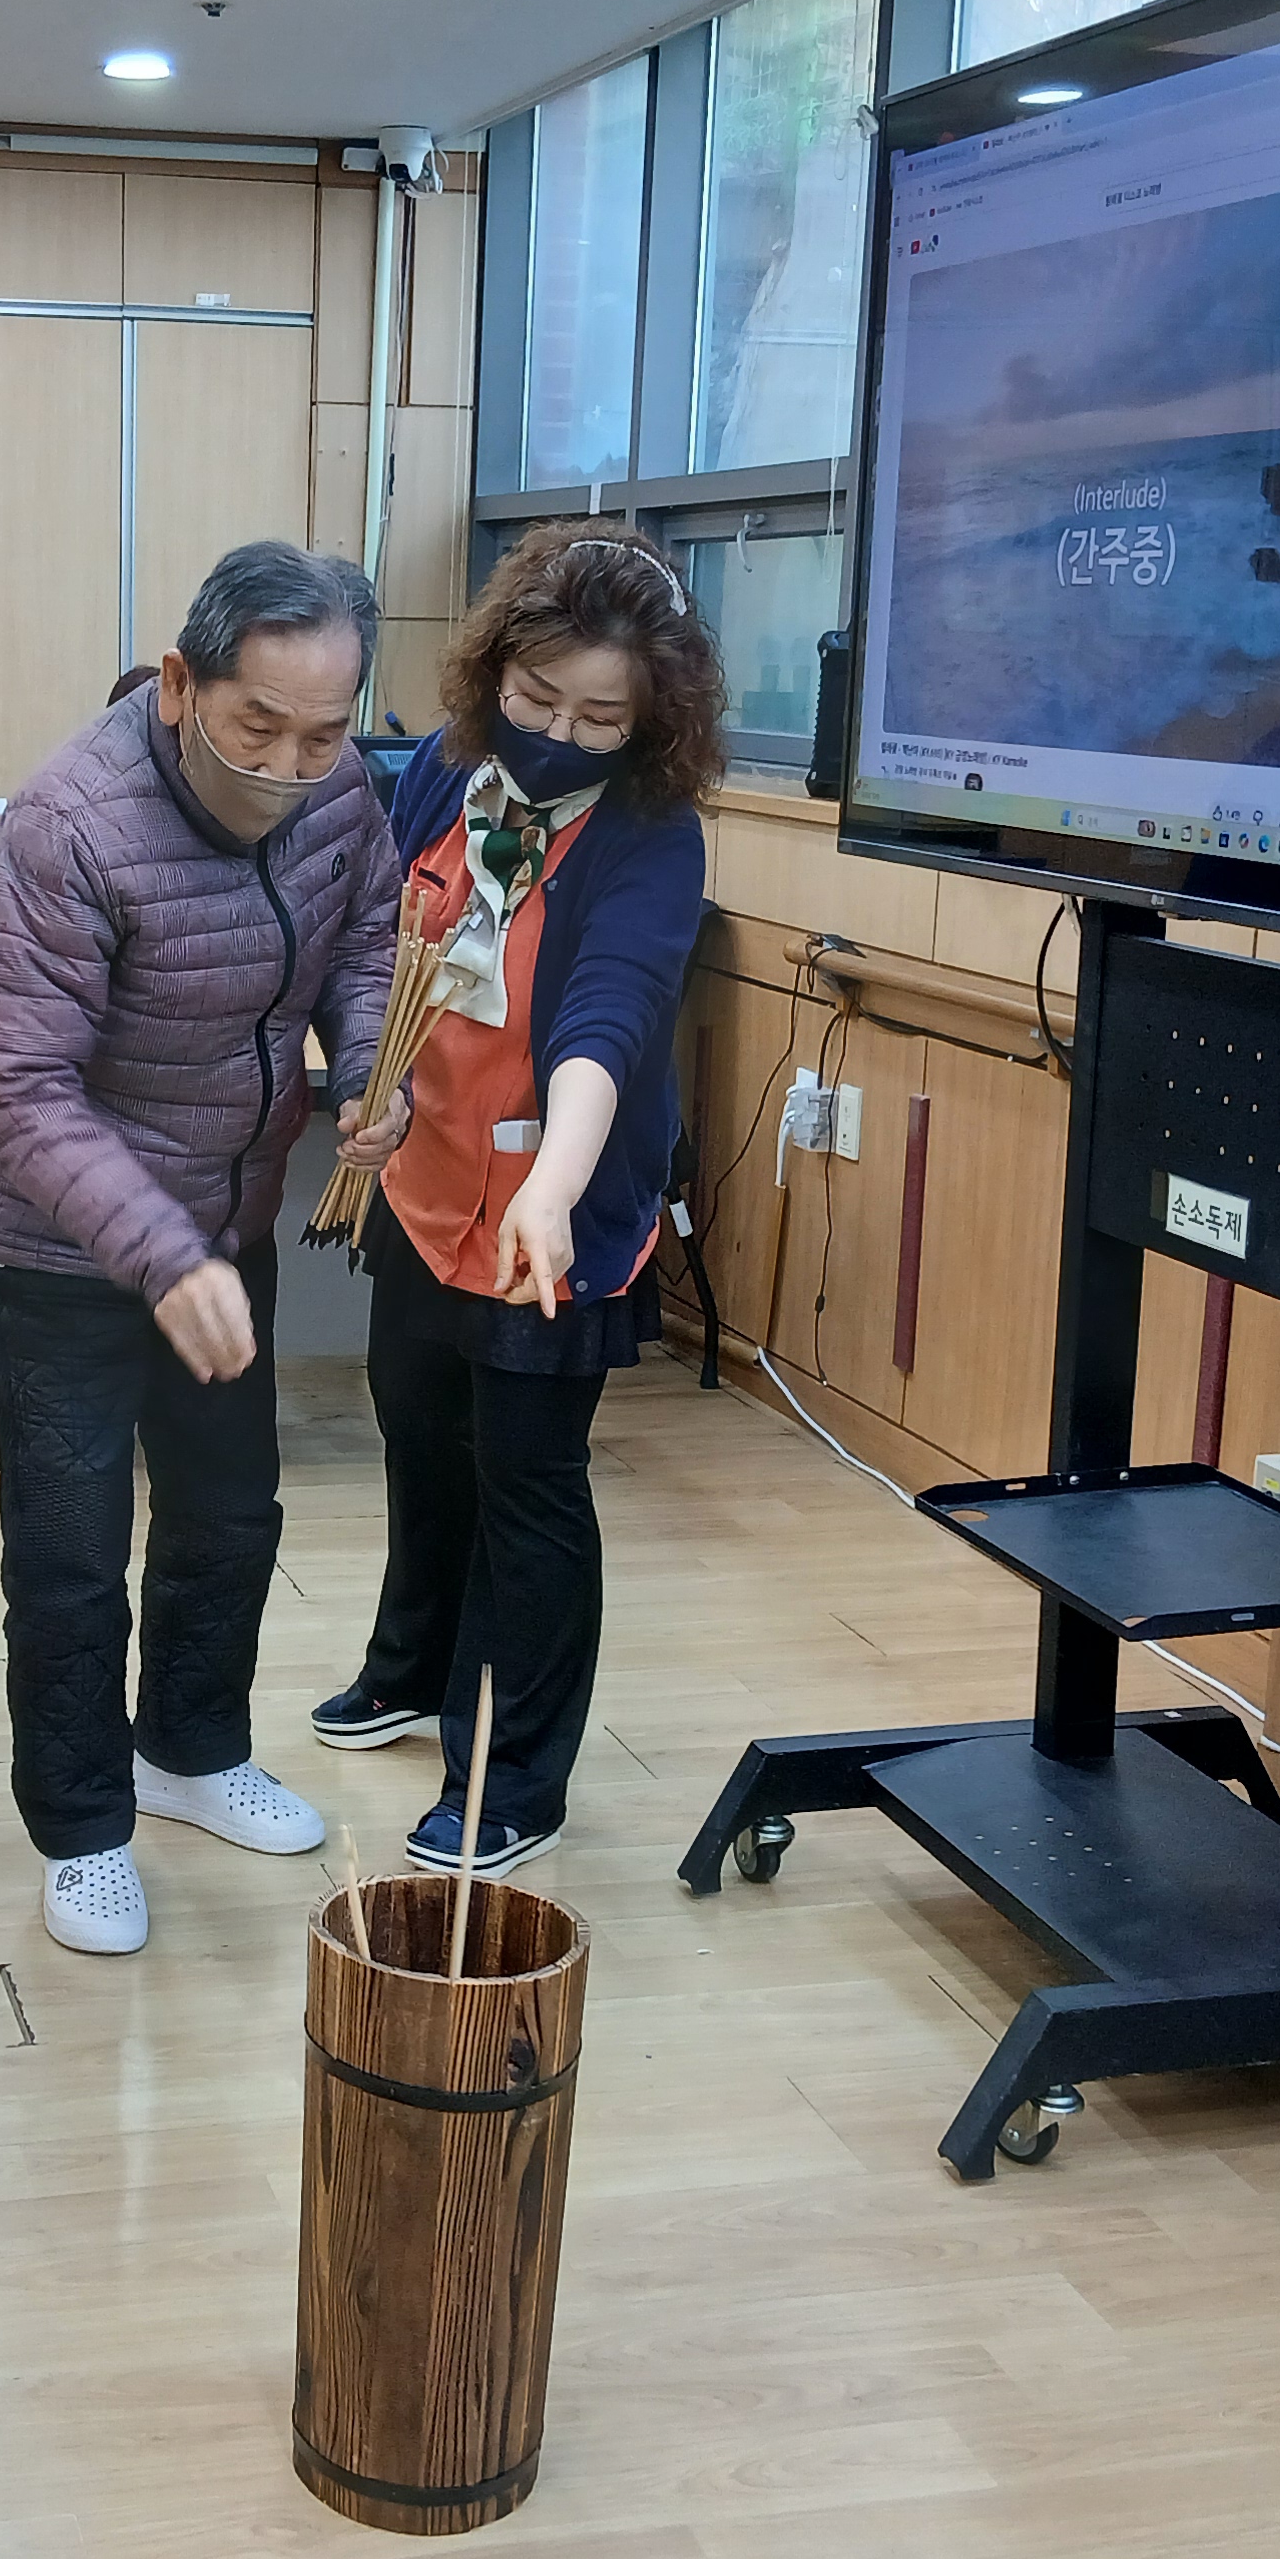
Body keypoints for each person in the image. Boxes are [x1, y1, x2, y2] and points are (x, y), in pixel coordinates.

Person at [0, 542, 400, 1956]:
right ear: (179, 685)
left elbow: (367, 942)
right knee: (71, 1553)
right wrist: (161, 1254)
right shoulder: (66, 828)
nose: (289, 765)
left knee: (228, 1515)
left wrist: (367, 1072)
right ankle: (84, 1826)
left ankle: (190, 1753)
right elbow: (21, 1092)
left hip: (222, 1226)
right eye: (256, 725)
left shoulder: (343, 791)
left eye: (322, 734)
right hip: (61, 1253)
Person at [312, 522, 719, 1876]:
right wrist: (364, 1083)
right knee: (420, 1433)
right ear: (495, 671)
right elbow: (381, 941)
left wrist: (554, 1186)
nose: (559, 734)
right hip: (424, 1177)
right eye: (539, 699)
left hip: (555, 1207)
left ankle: (513, 1778)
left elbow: (610, 1016)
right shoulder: (447, 768)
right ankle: (408, 1668)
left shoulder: (651, 837)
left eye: (601, 717)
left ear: (653, 719)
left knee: (527, 1484)